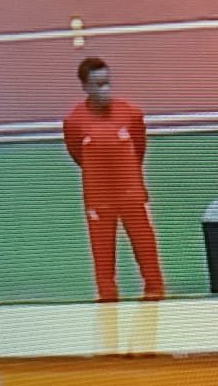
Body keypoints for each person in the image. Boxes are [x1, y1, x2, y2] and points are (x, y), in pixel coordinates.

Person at [63, 58, 165, 302]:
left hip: (131, 193)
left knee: (144, 242)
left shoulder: (131, 113)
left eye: (107, 83)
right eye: (98, 85)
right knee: (102, 250)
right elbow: (77, 154)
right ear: (85, 87)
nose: (105, 90)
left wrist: (128, 175)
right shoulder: (74, 121)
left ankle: (155, 289)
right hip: (98, 196)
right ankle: (107, 296)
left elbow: (139, 148)